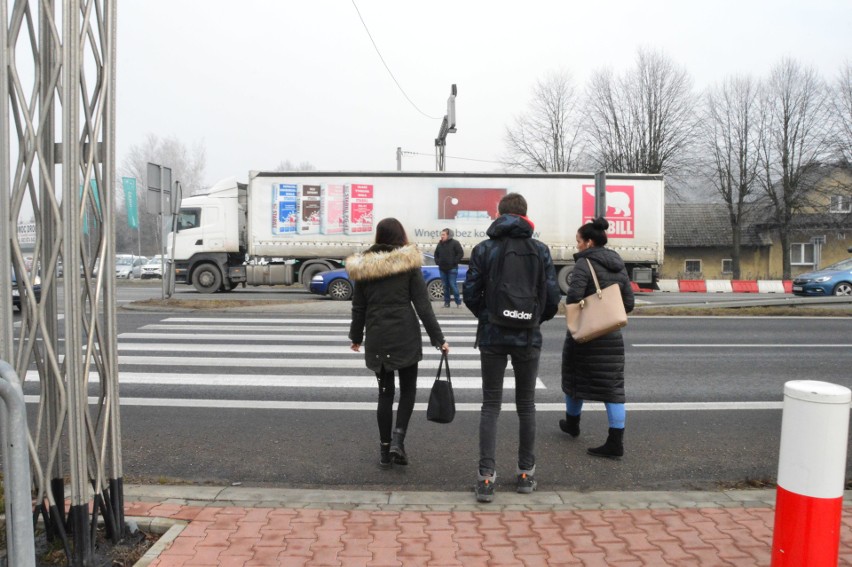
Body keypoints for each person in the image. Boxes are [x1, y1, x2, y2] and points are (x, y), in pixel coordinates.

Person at [462, 193, 561, 502]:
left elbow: (469, 292)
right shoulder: (540, 249)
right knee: (526, 405)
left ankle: (486, 478)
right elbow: (553, 296)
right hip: (527, 336)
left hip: (493, 336)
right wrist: (533, 318)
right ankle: (525, 474)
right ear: (525, 215)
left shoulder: (484, 249)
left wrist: (489, 315)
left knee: (490, 405)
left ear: (499, 214)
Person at [348, 218, 450, 469]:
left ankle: (384, 451)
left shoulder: (363, 267)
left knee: (385, 393)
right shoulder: (408, 263)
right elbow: (423, 306)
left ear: (378, 235)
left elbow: (359, 307)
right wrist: (439, 339)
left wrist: (356, 337)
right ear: (400, 236)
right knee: (408, 390)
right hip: (405, 333)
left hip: (378, 335)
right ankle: (398, 441)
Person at [560, 217, 635, 459]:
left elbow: (573, 299)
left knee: (574, 378)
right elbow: (629, 304)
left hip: (586, 335)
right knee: (612, 389)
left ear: (589, 242)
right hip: (611, 336)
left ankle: (573, 424)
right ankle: (616, 441)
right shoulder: (618, 264)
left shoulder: (585, 264)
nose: (577, 246)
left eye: (579, 242)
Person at [434, 228, 464, 308]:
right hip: (442, 269)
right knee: (445, 286)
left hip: (452, 268)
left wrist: (454, 262)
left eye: (443, 235)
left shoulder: (455, 243)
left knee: (453, 285)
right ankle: (447, 303)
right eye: (441, 234)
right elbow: (436, 254)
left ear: (449, 235)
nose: (442, 236)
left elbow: (460, 253)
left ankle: (458, 303)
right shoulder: (440, 244)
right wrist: (438, 262)